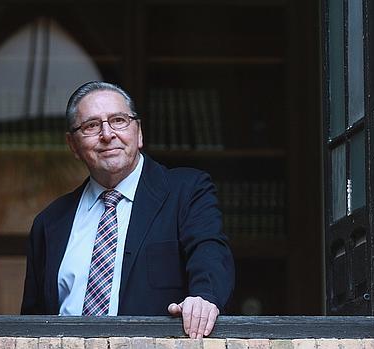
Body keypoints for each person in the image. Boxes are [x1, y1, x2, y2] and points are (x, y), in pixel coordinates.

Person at [21, 81, 234, 338]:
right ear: (73, 145)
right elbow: (31, 325)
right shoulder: (51, 222)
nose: (107, 134)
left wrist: (203, 298)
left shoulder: (187, 191)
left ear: (139, 132)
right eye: (91, 126)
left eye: (118, 120)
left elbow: (209, 251)